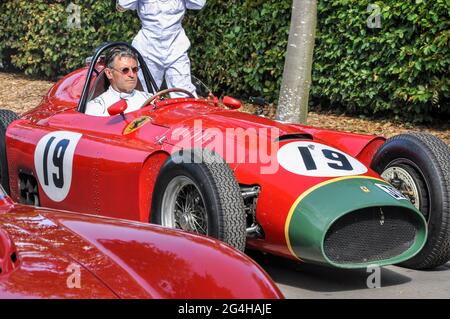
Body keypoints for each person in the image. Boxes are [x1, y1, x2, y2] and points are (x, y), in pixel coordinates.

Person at [116, 0, 206, 97]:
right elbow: (122, 5)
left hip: (176, 49)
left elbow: (199, 3)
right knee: (143, 95)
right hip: (147, 50)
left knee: (184, 93)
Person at [86, 46, 151, 116]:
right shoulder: (97, 108)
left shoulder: (149, 98)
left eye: (134, 69)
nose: (132, 75)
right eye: (125, 70)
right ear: (109, 73)